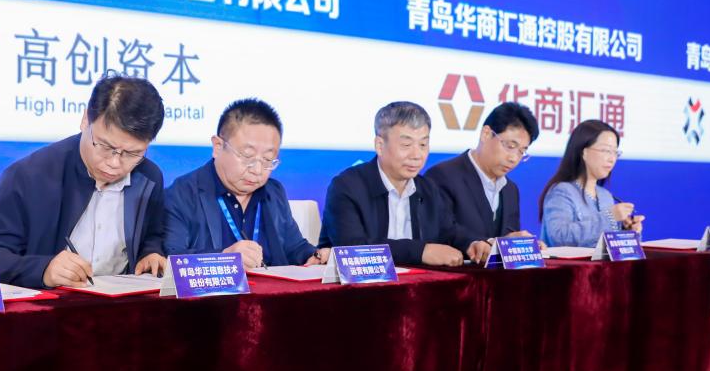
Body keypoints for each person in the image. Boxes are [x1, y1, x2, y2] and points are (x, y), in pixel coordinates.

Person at [0, 76, 169, 287]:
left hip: (124, 303)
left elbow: (152, 236)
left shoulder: (149, 177)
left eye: (132, 153)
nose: (114, 163)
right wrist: (43, 270)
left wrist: (150, 253)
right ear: (85, 120)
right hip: (50, 303)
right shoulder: (30, 176)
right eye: (105, 146)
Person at [320, 101, 490, 266]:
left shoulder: (428, 188)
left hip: (418, 283)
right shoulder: (346, 187)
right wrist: (420, 252)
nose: (417, 155)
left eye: (423, 144)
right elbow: (351, 249)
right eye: (406, 144)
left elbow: (448, 232)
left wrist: (471, 243)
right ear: (380, 145)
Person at [165, 98, 329, 269]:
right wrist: (223, 258)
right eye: (247, 156)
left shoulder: (274, 192)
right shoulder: (182, 193)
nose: (257, 170)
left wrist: (315, 255)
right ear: (218, 147)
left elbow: (294, 247)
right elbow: (171, 256)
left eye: (268, 159)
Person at [426, 102, 539, 247]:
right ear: (486, 134)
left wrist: (525, 245)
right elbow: (443, 232)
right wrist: (494, 243)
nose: (514, 158)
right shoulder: (442, 176)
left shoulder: (511, 190)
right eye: (510, 146)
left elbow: (509, 238)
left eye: (521, 152)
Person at [539, 119, 644, 248]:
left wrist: (628, 232)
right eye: (606, 151)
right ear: (584, 152)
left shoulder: (605, 195)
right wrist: (610, 218)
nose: (612, 159)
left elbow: (607, 248)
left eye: (615, 152)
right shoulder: (562, 191)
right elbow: (559, 237)